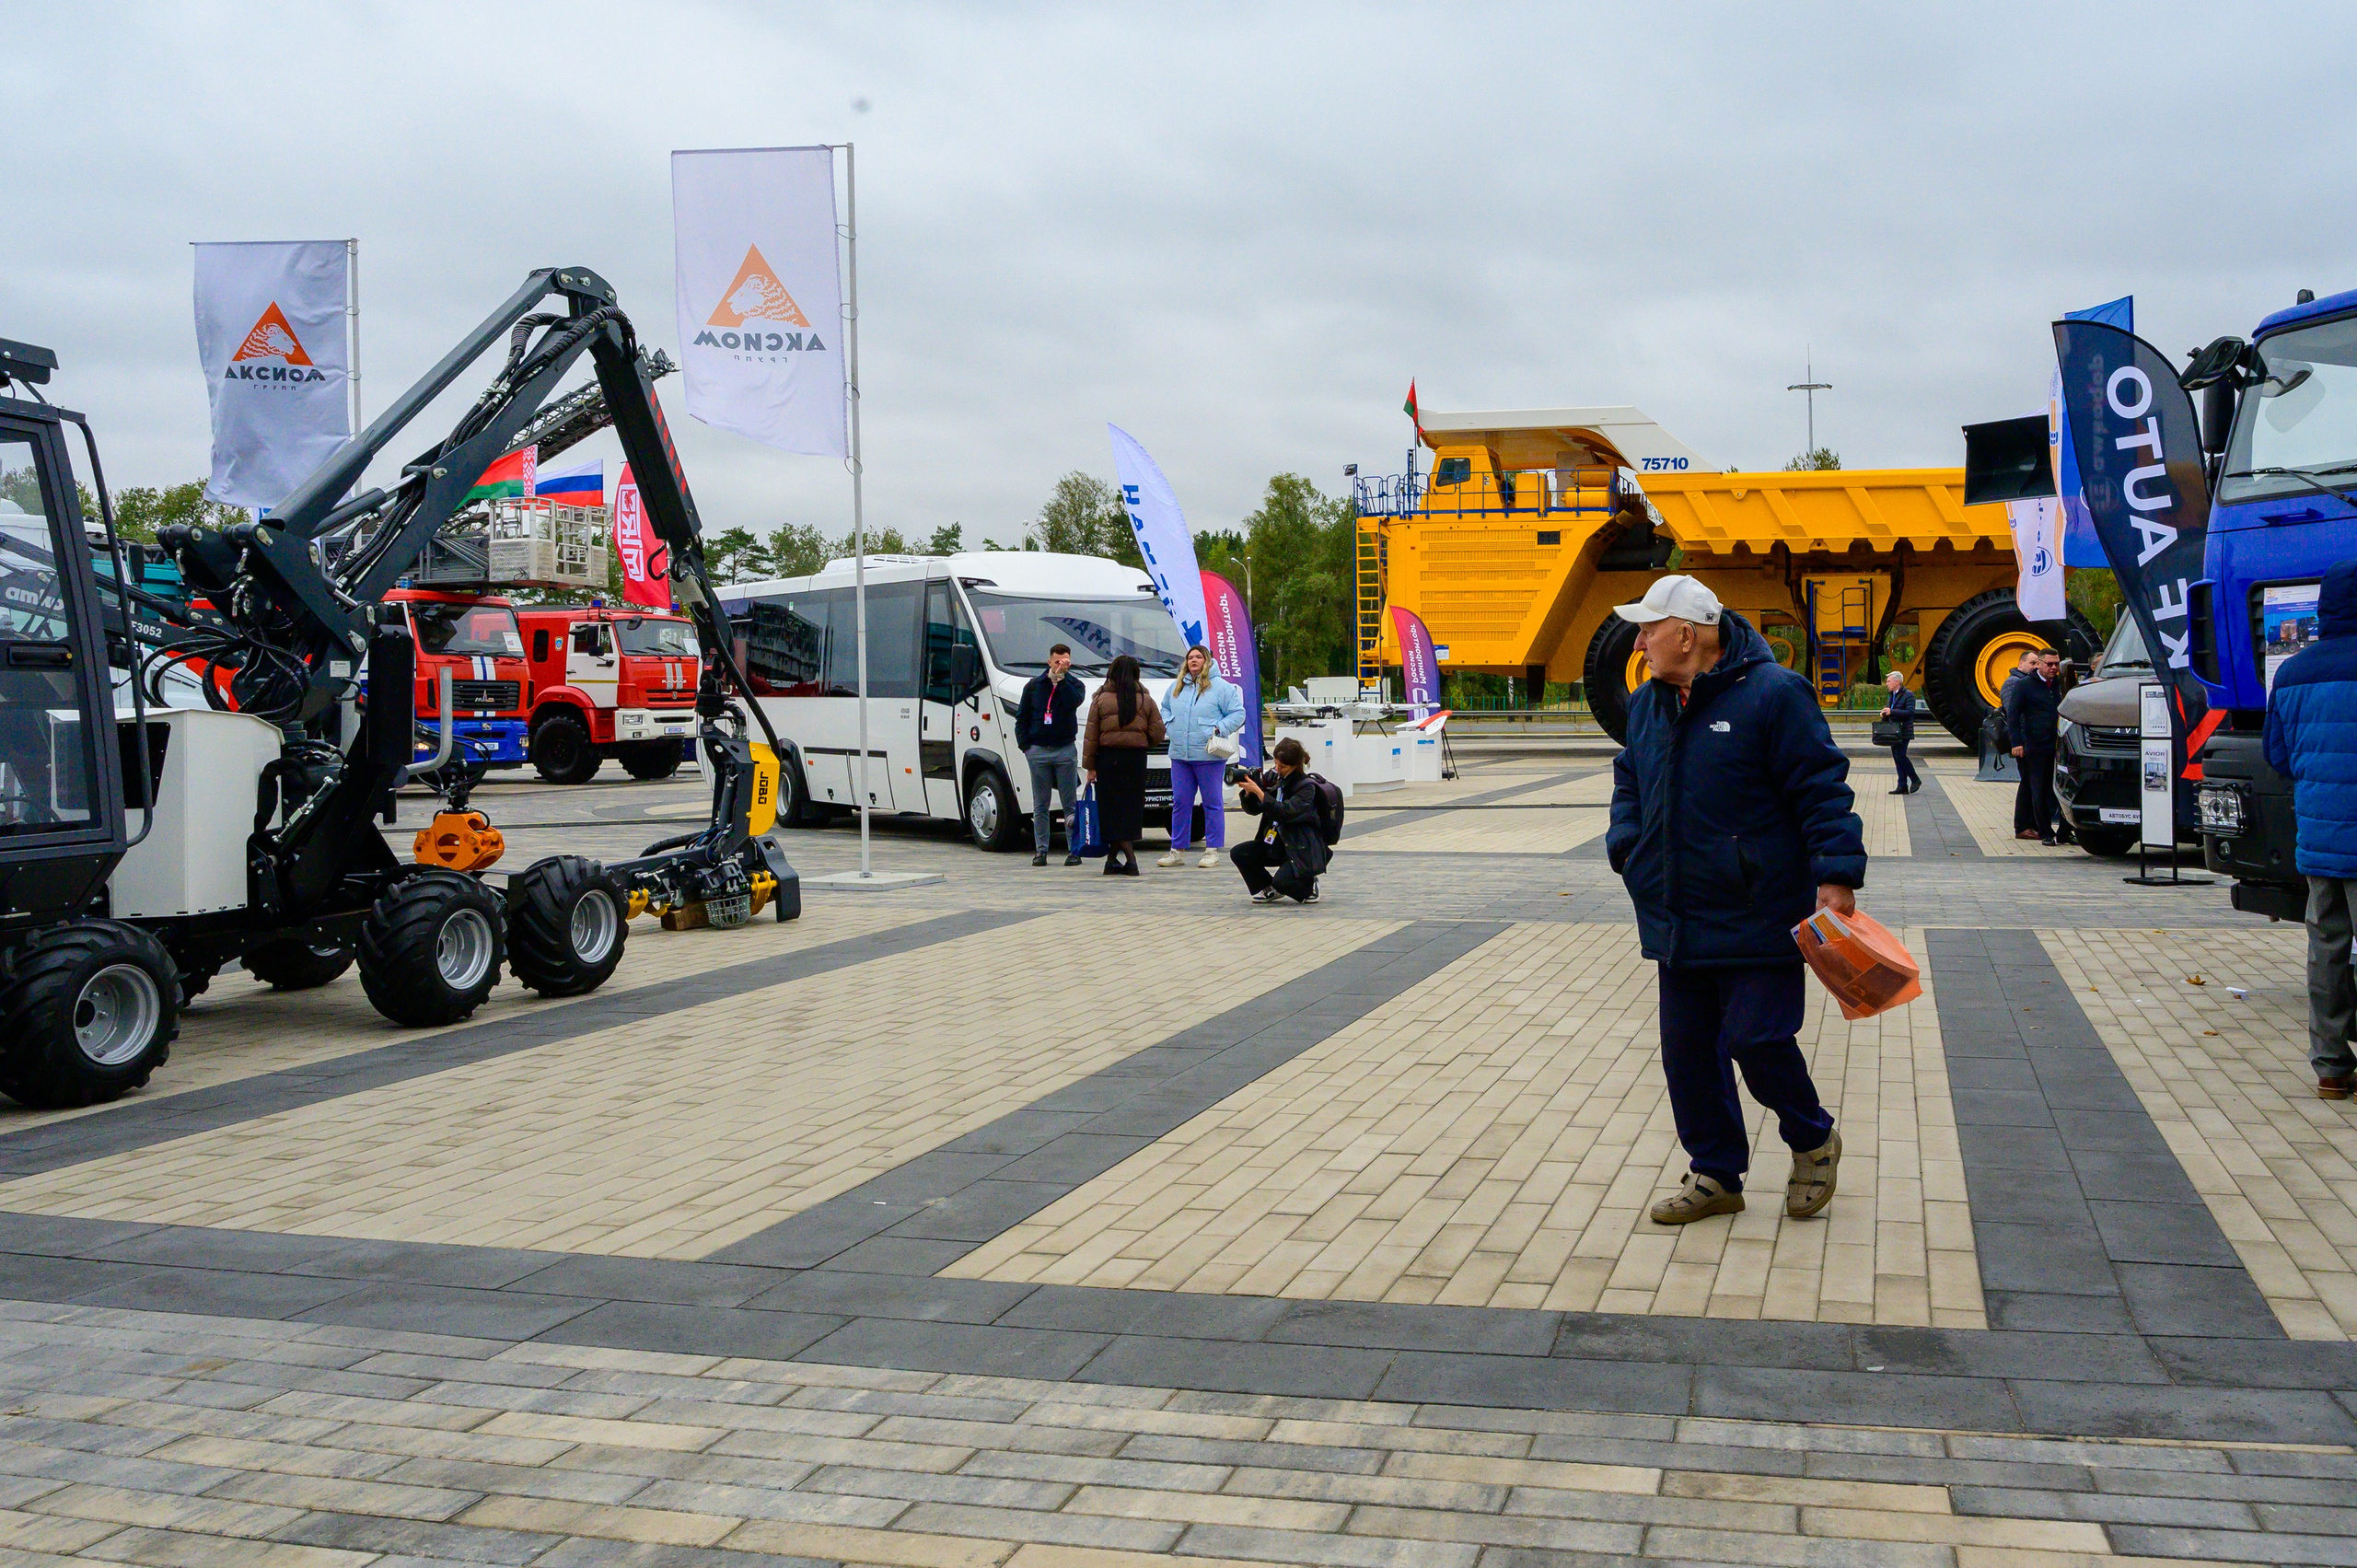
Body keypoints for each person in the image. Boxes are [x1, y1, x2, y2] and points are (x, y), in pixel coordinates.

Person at [1604, 575, 1864, 1225]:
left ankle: (1812, 1138)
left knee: (1757, 1038)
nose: (1639, 642)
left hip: (1758, 910)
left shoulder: (1775, 693)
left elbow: (1822, 786)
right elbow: (1629, 777)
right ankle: (1717, 1173)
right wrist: (1627, 843)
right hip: (1675, 912)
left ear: (1686, 635)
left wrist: (1836, 874)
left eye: (1648, 628)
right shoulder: (1647, 703)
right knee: (1688, 1053)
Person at [2263, 560, 2357, 1100]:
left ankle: (2331, 1068)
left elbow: (2278, 755)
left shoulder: (2293, 672)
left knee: (2326, 948)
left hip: (2319, 838)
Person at [1158, 645, 1247, 868]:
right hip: (1180, 755)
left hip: (1209, 756)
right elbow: (1165, 708)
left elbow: (1238, 714)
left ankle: (1212, 850)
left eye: (1198, 657)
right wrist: (1170, 725)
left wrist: (1218, 729)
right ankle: (1177, 850)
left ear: (1207, 661)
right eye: (1190, 657)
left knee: (1212, 802)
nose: (1194, 660)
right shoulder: (1177, 685)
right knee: (1180, 802)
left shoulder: (1221, 687)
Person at [1083, 653, 1165, 877]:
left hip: (1108, 759)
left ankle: (1129, 860)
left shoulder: (1100, 699)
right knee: (1130, 808)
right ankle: (1114, 861)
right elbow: (1158, 731)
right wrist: (1143, 742)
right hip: (1135, 759)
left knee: (1111, 809)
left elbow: (1091, 736)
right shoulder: (1145, 700)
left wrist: (1090, 766)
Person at [1232, 736, 1329, 903]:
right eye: (1276, 764)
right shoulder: (1274, 777)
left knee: (1282, 882)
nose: (1278, 769)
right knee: (1240, 853)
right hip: (1274, 841)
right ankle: (1268, 888)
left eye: (1283, 766)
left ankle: (1309, 884)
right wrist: (1249, 794)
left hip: (1299, 847)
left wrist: (1260, 793)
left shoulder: (1306, 787)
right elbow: (1253, 810)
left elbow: (1285, 812)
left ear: (1295, 766)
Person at [1015, 643, 1086, 867]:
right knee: (1041, 804)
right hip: (1038, 750)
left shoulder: (1075, 685)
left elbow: (1074, 702)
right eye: (1057, 662)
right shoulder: (1034, 686)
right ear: (1049, 662)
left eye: (1065, 662)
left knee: (1070, 803)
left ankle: (1074, 850)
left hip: (1064, 749)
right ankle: (1041, 850)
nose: (1060, 665)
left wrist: (1062, 680)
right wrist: (1026, 747)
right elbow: (1022, 717)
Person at [2004, 648, 2064, 845]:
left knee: (2061, 789)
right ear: (2039, 664)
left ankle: (2065, 831)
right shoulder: (2024, 685)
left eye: (2056, 664)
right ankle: (2045, 831)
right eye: (2049, 664)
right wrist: (2016, 743)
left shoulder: (2060, 684)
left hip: (2059, 746)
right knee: (2039, 789)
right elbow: (2013, 715)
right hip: (2035, 746)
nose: (2054, 667)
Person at [2000, 649, 2038, 837]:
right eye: (2032, 663)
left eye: (2037, 663)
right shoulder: (2013, 683)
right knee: (2027, 782)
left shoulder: (2031, 683)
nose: (2035, 667)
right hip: (2024, 741)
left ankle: (2032, 824)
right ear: (2021, 663)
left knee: (2033, 783)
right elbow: (2013, 713)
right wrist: (2019, 742)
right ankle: (2023, 826)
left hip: (2032, 740)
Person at [1879, 669, 1921, 795]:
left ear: (1897, 682)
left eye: (1889, 681)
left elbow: (1910, 713)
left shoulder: (1908, 695)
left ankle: (1915, 779)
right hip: (1893, 731)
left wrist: (1892, 712)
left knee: (1900, 756)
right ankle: (1902, 786)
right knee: (1896, 758)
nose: (1887, 684)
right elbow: (1891, 710)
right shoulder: (1891, 695)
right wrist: (1885, 714)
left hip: (1904, 730)